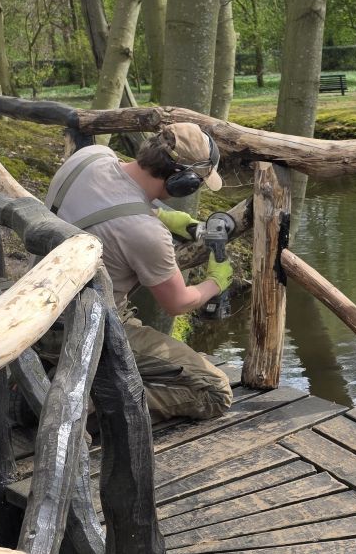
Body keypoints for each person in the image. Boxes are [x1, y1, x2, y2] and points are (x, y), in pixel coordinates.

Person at [45, 123, 234, 422]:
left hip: (39, 311)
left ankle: (58, 378)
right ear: (182, 181)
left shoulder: (91, 157)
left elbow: (107, 200)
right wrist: (216, 282)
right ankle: (76, 406)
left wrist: (160, 213)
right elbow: (178, 302)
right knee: (215, 391)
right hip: (88, 329)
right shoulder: (146, 233)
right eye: (197, 182)